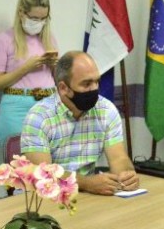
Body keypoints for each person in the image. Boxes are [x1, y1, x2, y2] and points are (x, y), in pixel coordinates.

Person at [20, 51, 139, 195]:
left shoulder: (106, 110)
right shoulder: (39, 117)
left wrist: (126, 174)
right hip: (48, 198)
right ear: (63, 88)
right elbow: (43, 175)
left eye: (97, 81)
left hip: (88, 197)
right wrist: (87, 183)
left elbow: (119, 158)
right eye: (86, 84)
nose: (94, 89)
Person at [0, 0, 58, 154]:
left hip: (49, 106)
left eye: (43, 18)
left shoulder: (49, 39)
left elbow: (57, 78)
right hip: (16, 110)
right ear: (21, 13)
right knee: (21, 166)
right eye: (34, 18)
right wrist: (26, 68)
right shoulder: (4, 40)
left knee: (50, 167)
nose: (39, 23)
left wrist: (55, 65)